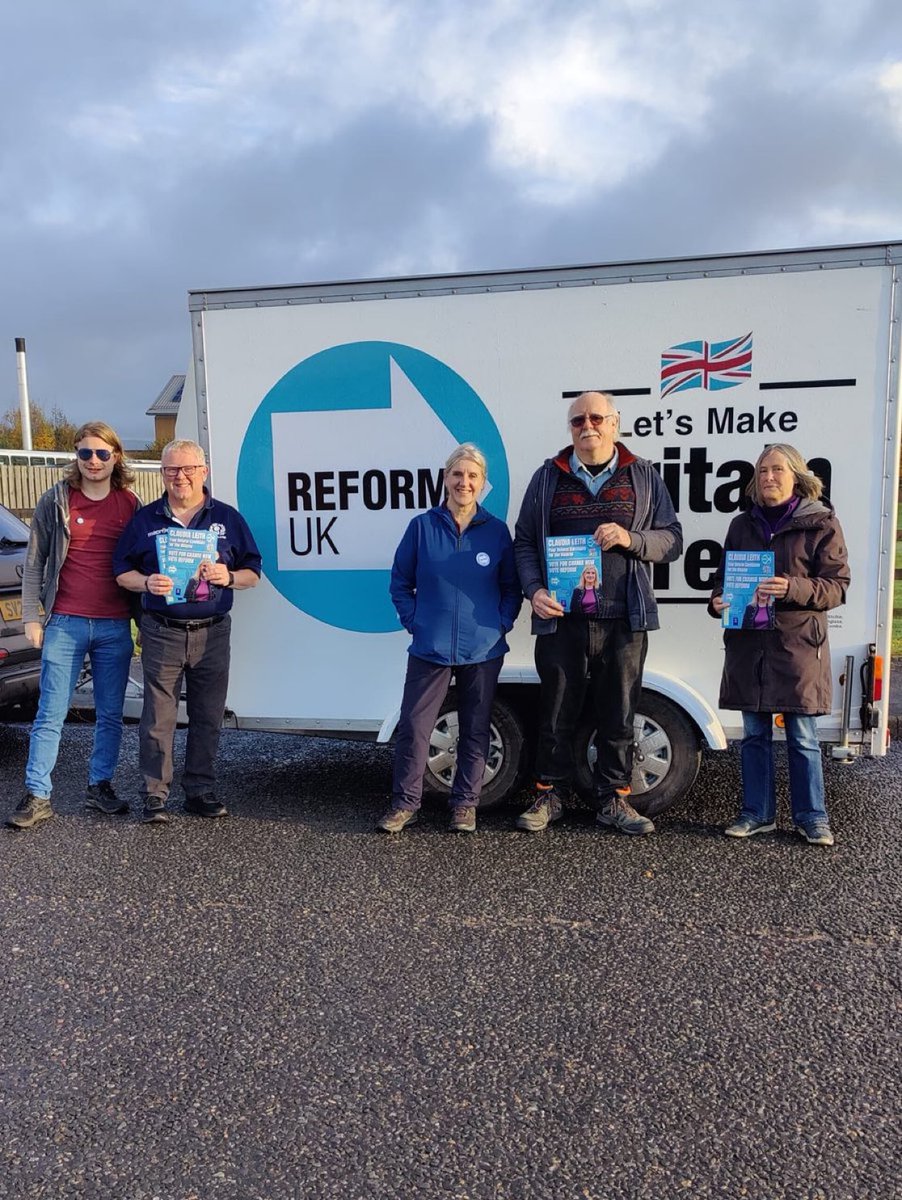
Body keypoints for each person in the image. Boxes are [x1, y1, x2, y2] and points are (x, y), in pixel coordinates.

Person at [513, 391, 682, 834]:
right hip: (560, 618)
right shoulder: (547, 477)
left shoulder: (643, 476)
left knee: (619, 711)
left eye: (596, 418)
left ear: (615, 423)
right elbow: (525, 542)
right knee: (554, 710)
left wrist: (632, 539)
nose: (587, 426)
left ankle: (614, 799)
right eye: (577, 420)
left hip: (624, 617)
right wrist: (533, 590)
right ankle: (549, 795)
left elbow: (672, 539)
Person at [113, 439, 262, 824]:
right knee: (157, 717)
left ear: (203, 471)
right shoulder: (145, 520)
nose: (180, 477)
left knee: (207, 715)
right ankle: (154, 794)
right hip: (162, 630)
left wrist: (227, 576)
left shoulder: (227, 519)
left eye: (188, 469)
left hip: (212, 632)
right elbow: (121, 572)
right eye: (171, 470)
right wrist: (146, 583)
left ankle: (199, 790)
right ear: (162, 473)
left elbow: (253, 573)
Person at [710, 444, 850, 846]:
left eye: (777, 470)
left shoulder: (821, 523)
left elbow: (837, 587)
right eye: (763, 471)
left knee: (802, 736)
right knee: (753, 735)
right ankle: (757, 813)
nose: (768, 478)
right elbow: (724, 579)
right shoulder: (741, 525)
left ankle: (812, 818)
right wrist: (717, 599)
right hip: (747, 647)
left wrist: (793, 587)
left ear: (797, 477)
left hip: (797, 646)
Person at [377, 444, 521, 834]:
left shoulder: (495, 531)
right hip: (430, 646)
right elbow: (400, 582)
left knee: (476, 727)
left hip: (483, 648)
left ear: (482, 483)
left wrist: (500, 623)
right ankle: (405, 803)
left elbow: (512, 587)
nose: (464, 482)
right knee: (414, 726)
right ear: (445, 478)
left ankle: (464, 805)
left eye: (473, 476)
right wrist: (415, 621)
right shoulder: (422, 527)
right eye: (458, 474)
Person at [7, 422, 140, 830]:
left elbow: (142, 562)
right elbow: (34, 563)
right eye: (85, 454)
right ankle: (37, 793)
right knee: (50, 712)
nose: (93, 462)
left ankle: (100, 785)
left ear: (116, 456)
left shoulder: (130, 503)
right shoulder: (56, 501)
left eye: (102, 454)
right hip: (64, 622)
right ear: (76, 457)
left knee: (111, 713)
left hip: (115, 625)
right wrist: (32, 616)